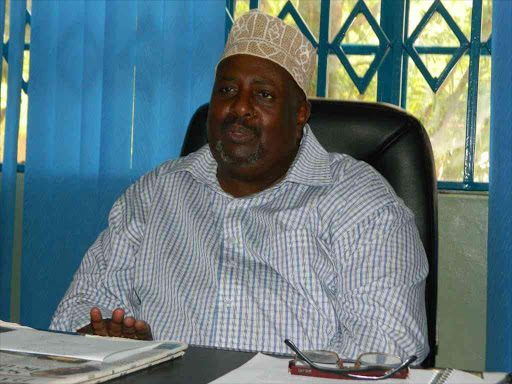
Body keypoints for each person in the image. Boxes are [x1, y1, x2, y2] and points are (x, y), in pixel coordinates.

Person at [50, 10, 429, 363]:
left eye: (263, 95)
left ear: (299, 113)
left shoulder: (360, 204)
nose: (240, 108)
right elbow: (76, 312)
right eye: (227, 91)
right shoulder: (156, 194)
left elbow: (387, 351)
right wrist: (113, 345)